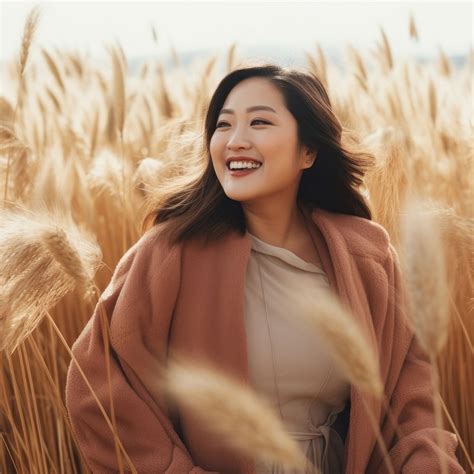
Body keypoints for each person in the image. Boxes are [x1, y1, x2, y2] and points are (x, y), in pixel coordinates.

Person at [65, 64, 463, 473]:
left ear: (308, 151)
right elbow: (100, 389)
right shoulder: (170, 253)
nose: (235, 141)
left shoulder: (367, 257)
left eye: (259, 122)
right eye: (223, 125)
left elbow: (410, 404)